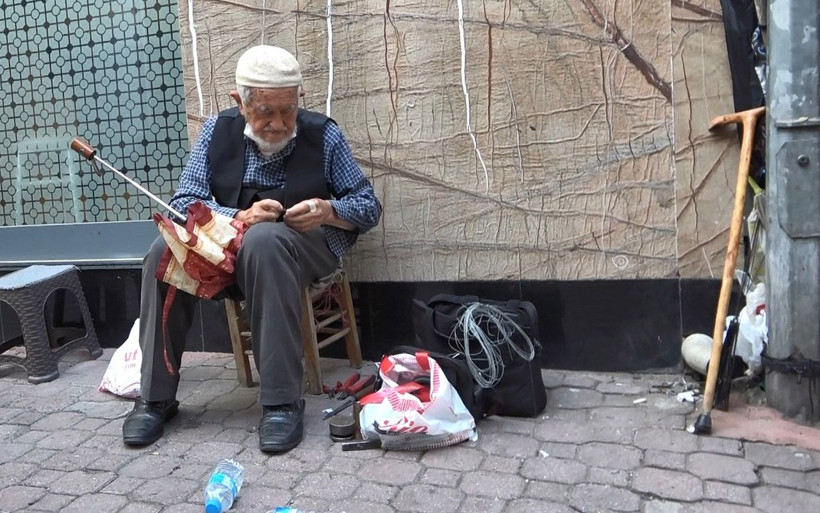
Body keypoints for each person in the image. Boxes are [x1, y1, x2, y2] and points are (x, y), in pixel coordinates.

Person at [122, 45, 382, 453]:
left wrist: (328, 210)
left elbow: (368, 207)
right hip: (226, 250)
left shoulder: (323, 134)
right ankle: (155, 397)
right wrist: (238, 215)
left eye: (288, 110)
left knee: (264, 242)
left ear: (300, 99)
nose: (279, 124)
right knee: (163, 251)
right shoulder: (215, 130)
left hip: (302, 251)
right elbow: (183, 203)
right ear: (239, 102)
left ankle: (281, 403)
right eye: (265, 111)